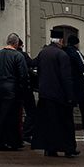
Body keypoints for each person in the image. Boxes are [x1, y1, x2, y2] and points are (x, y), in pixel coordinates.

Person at [33, 29, 76, 158]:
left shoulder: (43, 53)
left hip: (44, 94)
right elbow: (66, 77)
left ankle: (50, 148)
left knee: (48, 123)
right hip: (59, 96)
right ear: (61, 41)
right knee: (65, 123)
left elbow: (34, 67)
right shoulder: (62, 55)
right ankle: (68, 148)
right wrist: (70, 96)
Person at [0, 33, 29, 151]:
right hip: (13, 91)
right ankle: (10, 142)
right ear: (16, 43)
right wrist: (23, 91)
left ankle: (3, 141)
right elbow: (23, 76)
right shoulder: (18, 56)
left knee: (3, 116)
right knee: (13, 118)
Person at [63, 35, 84, 146]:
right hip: (78, 86)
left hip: (66, 86)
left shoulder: (63, 52)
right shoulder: (76, 53)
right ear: (76, 43)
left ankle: (68, 136)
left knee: (68, 113)